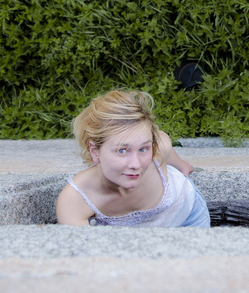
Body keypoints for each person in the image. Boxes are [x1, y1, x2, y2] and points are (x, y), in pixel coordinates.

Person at [55, 90, 211, 227]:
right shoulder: (75, 200)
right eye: (122, 151)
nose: (137, 165)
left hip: (189, 218)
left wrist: (183, 166)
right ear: (95, 152)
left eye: (143, 149)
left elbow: (164, 144)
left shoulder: (159, 147)